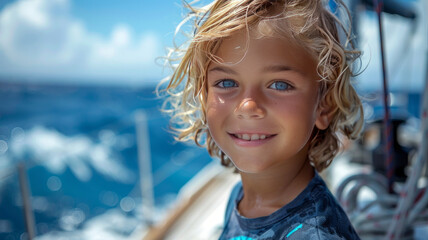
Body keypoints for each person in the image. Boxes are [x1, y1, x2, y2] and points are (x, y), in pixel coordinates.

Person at [161, 0, 364, 239]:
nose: (248, 106)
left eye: (280, 84)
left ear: (324, 105)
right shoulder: (240, 197)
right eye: (227, 83)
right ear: (204, 96)